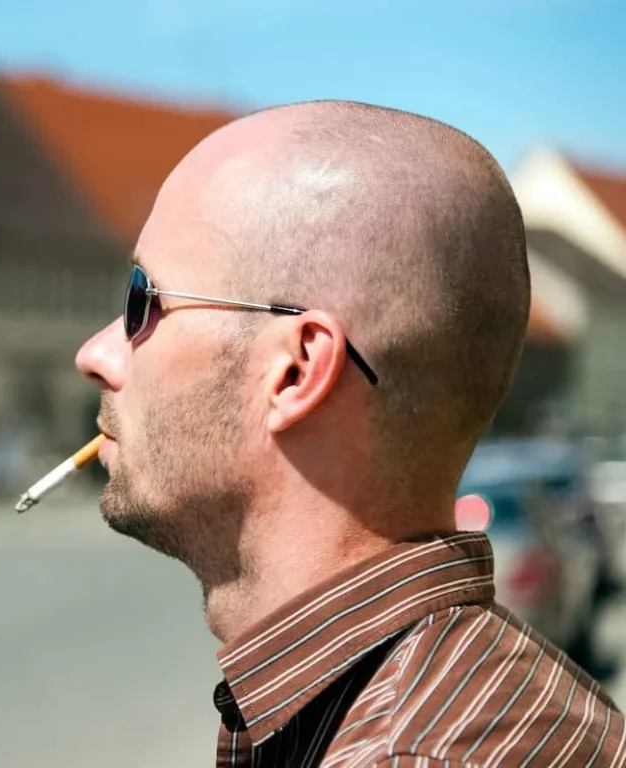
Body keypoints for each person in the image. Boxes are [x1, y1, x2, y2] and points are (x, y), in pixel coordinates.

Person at [75, 101, 625, 767]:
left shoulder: (408, 753)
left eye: (143, 300)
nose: (97, 353)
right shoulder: (460, 697)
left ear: (296, 370)